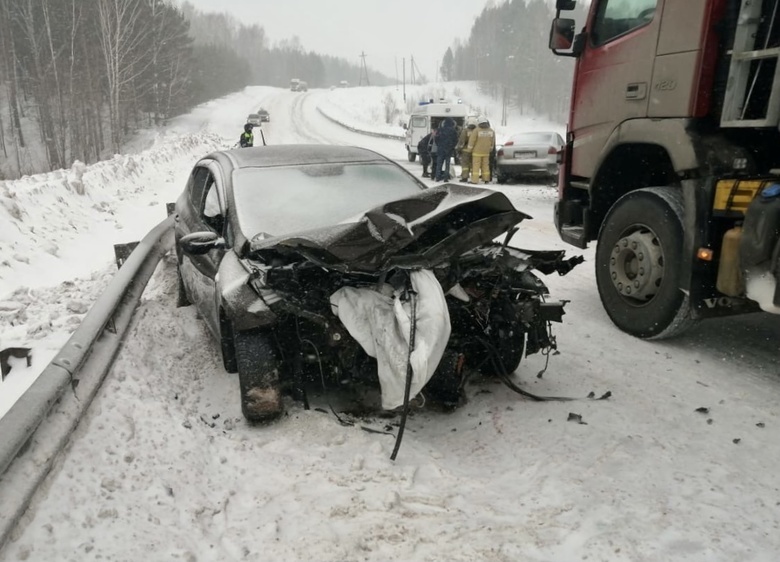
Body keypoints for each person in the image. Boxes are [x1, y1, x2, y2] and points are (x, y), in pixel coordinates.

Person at [467, 116, 496, 184]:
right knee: (485, 166)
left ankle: (474, 180)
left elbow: (472, 141)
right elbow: (492, 142)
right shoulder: (491, 131)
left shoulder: (476, 130)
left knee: (476, 166)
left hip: (477, 152)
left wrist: (469, 150)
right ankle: (486, 179)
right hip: (486, 152)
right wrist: (490, 149)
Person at [456, 117, 477, 182]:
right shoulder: (477, 131)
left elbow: (462, 141)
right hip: (475, 151)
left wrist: (458, 149)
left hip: (465, 150)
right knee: (473, 164)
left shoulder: (465, 131)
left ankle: (465, 177)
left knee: (465, 164)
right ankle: (474, 178)